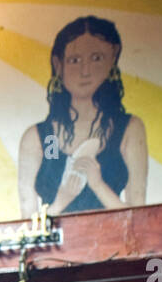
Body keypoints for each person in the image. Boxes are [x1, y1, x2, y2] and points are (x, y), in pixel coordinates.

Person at [17, 15, 147, 217]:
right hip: (58, 247)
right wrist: (61, 201)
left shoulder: (127, 129)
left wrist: (98, 185)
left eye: (96, 58)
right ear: (58, 65)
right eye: (75, 60)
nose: (85, 71)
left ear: (112, 58)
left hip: (114, 243)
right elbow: (27, 225)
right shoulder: (46, 138)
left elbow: (140, 216)